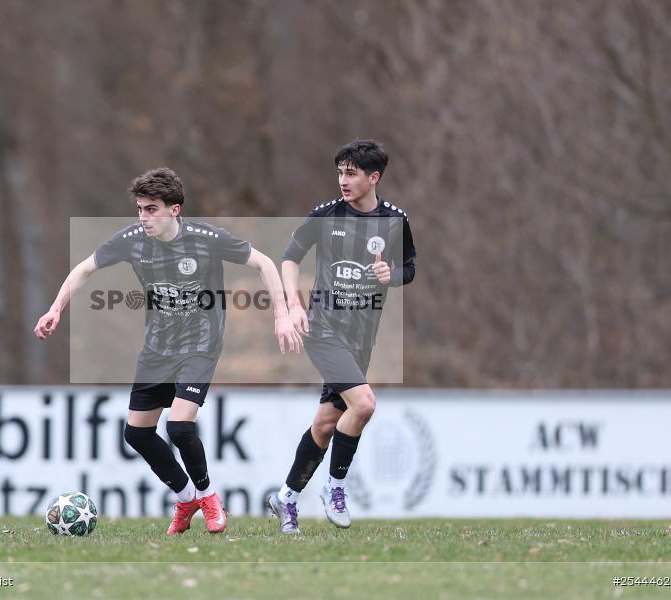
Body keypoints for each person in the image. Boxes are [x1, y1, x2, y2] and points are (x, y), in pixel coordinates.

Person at [34, 167, 301, 535]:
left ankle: (208, 497)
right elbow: (84, 269)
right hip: (158, 348)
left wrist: (281, 314)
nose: (143, 217)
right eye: (140, 209)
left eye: (151, 209)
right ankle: (186, 496)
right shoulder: (132, 240)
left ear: (174, 210)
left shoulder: (206, 239)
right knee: (137, 434)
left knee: (178, 425)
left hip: (200, 345)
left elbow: (264, 263)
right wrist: (55, 309)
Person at [268, 140, 416, 533]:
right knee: (364, 405)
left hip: (361, 338)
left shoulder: (395, 221)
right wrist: (294, 305)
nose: (343, 181)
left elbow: (410, 267)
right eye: (340, 173)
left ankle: (286, 498)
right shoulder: (325, 216)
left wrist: (392, 275)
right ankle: (335, 489)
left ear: (374, 177)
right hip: (323, 328)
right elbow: (290, 257)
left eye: (351, 173)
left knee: (325, 424)